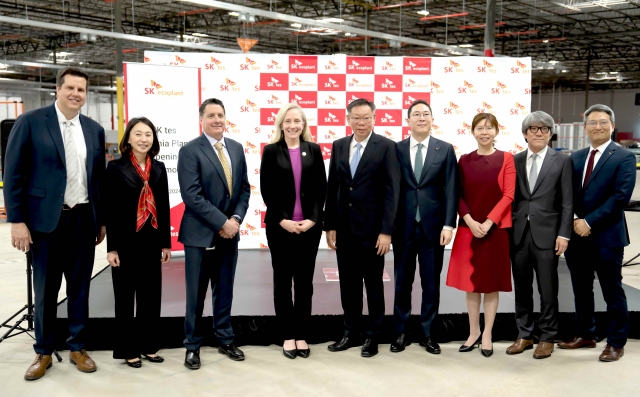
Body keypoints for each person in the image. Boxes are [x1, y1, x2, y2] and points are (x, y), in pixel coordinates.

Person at [3, 67, 106, 380]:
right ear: (57, 90)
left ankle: (77, 346)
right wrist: (17, 220)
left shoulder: (94, 129)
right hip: (45, 222)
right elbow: (13, 174)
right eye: (71, 88)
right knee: (46, 290)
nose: (76, 94)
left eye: (82, 90)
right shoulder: (31, 122)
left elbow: (97, 179)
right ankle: (44, 351)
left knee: (79, 288)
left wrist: (99, 221)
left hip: (83, 219)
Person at [177, 98, 250, 369]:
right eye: (211, 115)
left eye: (220, 114)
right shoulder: (190, 151)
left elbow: (243, 189)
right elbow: (192, 196)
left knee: (225, 290)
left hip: (230, 234)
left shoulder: (236, 148)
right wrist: (223, 222)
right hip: (200, 236)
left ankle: (225, 338)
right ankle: (192, 346)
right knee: (196, 294)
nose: (217, 119)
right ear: (201, 120)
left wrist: (236, 219)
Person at [324, 98, 400, 358]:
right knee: (349, 285)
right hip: (344, 230)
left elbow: (392, 191)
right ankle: (350, 332)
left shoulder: (387, 147)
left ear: (374, 118)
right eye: (356, 117)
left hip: (373, 232)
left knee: (374, 286)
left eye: (366, 117)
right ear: (348, 119)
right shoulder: (339, 145)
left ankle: (373, 336)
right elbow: (333, 187)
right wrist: (330, 225)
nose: (361, 122)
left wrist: (386, 231)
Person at [559, 104, 636, 362]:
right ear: (585, 128)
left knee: (612, 291)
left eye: (603, 122)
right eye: (592, 122)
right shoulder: (576, 157)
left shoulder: (623, 157)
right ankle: (586, 335)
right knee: (581, 290)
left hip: (606, 237)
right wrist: (572, 220)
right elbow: (566, 194)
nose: (598, 127)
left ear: (612, 126)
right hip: (577, 237)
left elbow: (620, 198)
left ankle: (616, 342)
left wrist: (588, 221)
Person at [260, 103, 327, 359]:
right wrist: (282, 220)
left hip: (309, 229)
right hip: (280, 228)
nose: (292, 126)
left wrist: (312, 219)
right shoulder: (271, 151)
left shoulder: (314, 150)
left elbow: (321, 189)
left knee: (304, 283)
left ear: (303, 124)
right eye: (288, 121)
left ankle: (301, 334)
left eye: (297, 121)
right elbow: (267, 190)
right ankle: (288, 335)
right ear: (281, 124)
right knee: (282, 282)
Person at [391, 99, 458, 355]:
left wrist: (449, 224)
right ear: (408, 121)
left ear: (432, 119)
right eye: (416, 114)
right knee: (402, 283)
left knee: (431, 284)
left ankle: (428, 333)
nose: (421, 118)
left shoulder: (445, 149)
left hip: (433, 228)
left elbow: (452, 189)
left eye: (426, 114)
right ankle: (401, 332)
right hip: (403, 226)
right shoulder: (396, 149)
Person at [446, 112, 515, 358]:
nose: (484, 132)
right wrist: (469, 220)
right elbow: (457, 194)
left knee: (492, 284)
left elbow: (508, 194)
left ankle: (487, 334)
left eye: (489, 128)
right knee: (471, 284)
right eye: (479, 128)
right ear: (472, 132)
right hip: (468, 229)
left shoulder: (507, 159)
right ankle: (473, 332)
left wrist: (487, 223)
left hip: (495, 231)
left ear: (496, 131)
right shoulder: (463, 160)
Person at [104, 117, 171, 367]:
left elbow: (162, 207)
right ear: (129, 138)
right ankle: (128, 349)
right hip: (125, 243)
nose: (144, 139)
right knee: (124, 298)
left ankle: (149, 346)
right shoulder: (115, 168)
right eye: (139, 134)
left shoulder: (160, 168)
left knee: (151, 297)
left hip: (151, 242)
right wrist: (111, 248)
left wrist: (165, 244)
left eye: (149, 134)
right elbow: (110, 210)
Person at [507, 111, 573, 359]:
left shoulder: (562, 161)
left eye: (544, 129)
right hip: (519, 234)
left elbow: (568, 202)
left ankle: (547, 338)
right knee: (522, 288)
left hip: (548, 236)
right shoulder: (514, 160)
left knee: (548, 289)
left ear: (550, 133)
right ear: (525, 134)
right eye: (533, 129)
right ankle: (524, 335)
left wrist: (564, 234)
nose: (539, 133)